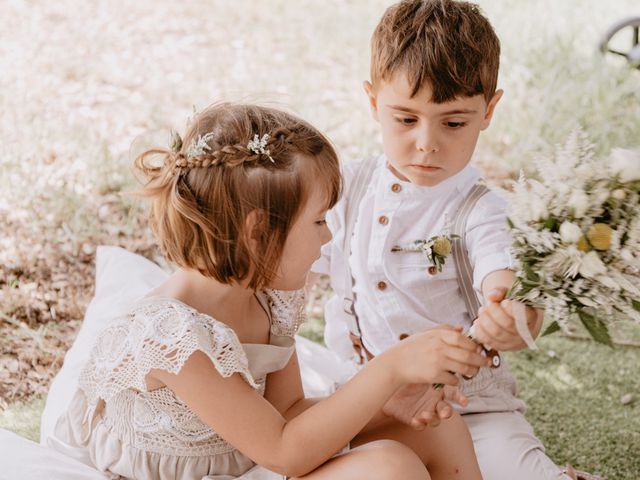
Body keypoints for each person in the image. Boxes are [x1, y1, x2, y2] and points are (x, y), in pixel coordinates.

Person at [48, 102, 491, 480]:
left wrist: (386, 401)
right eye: (319, 222)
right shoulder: (172, 337)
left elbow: (290, 412)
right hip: (220, 466)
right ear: (259, 232)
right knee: (388, 467)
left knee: (436, 428)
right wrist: (389, 370)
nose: (327, 239)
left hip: (248, 454)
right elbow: (285, 450)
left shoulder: (268, 299)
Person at [308, 1, 595, 479]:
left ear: (489, 111)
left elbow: (503, 282)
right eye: (405, 119)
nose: (427, 143)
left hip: (469, 407)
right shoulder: (345, 187)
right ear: (374, 103)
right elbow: (285, 263)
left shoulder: (482, 210)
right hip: (362, 401)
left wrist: (513, 315)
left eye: (454, 122)